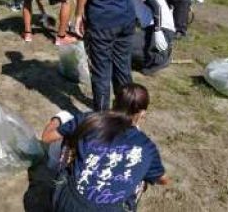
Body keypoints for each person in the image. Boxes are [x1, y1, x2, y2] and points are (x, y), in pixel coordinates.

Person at [42, 83, 171, 212]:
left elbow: (47, 137)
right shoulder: (146, 146)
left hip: (68, 204)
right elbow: (163, 180)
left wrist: (58, 120)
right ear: (142, 113)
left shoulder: (89, 120)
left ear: (114, 102)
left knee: (71, 140)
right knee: (142, 176)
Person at [131, 0, 175, 75]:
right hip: (148, 30)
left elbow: (156, 7)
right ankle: (155, 56)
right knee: (121, 45)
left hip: (162, 29)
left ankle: (160, 58)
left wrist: (158, 31)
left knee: (122, 46)